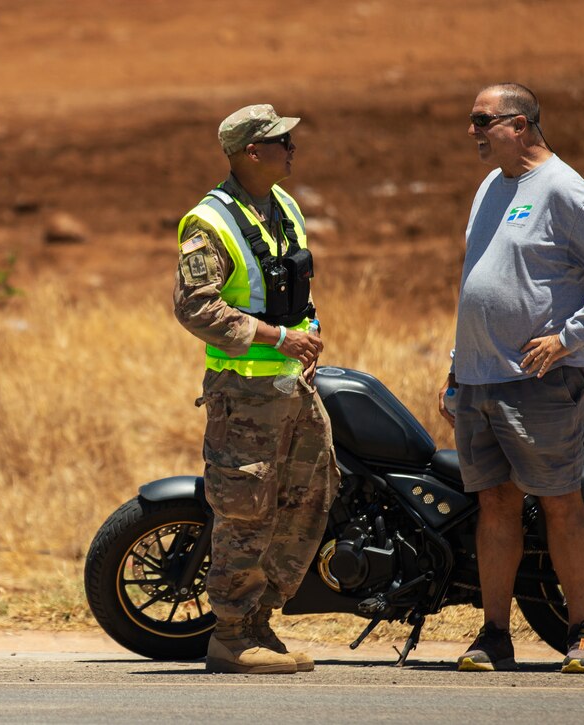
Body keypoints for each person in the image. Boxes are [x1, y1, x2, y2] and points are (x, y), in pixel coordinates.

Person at [439, 83, 584, 675]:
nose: (472, 131)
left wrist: (568, 338)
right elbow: (480, 280)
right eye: (471, 119)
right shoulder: (491, 186)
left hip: (540, 381)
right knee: (496, 505)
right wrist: (459, 368)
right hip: (481, 378)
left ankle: (583, 634)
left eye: (482, 120)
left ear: (522, 123)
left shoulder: (561, 186)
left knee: (559, 503)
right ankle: (494, 635)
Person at [173, 104, 340, 675]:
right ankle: (229, 636)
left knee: (303, 501)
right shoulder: (208, 222)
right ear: (251, 152)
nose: (292, 148)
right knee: (245, 510)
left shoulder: (283, 205)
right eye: (281, 141)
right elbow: (196, 308)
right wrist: (279, 338)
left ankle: (260, 623)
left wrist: (310, 334)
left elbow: (295, 288)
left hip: (294, 387)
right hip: (244, 397)